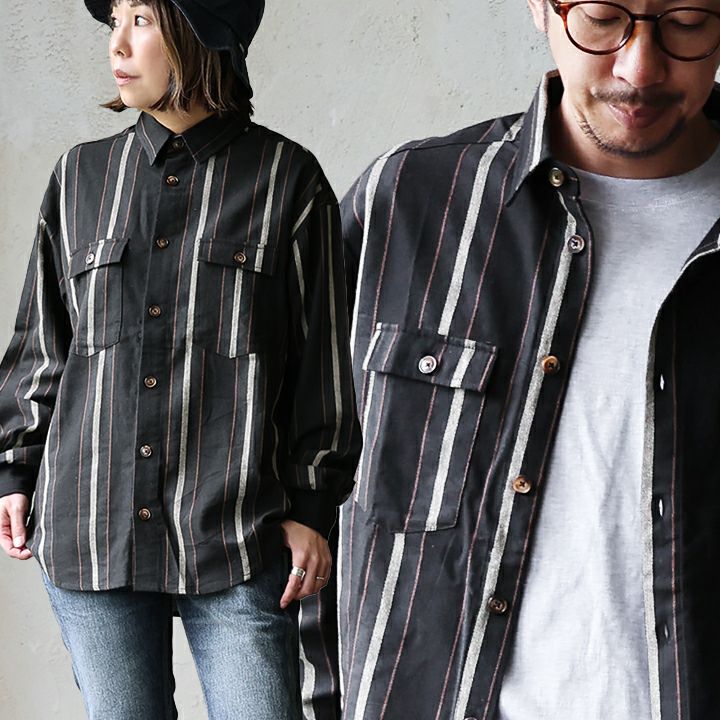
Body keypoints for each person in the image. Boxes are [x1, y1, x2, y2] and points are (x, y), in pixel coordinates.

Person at [330, 1, 720, 718]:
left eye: (688, 21)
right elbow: (287, 487)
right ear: (541, 6)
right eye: (601, 17)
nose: (640, 68)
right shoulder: (406, 204)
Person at [0, 1, 361, 718]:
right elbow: (44, 341)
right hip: (90, 527)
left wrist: (313, 508)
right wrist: (15, 469)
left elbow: (322, 364)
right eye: (115, 21)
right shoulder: (80, 178)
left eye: (141, 19)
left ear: (201, 32)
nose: (117, 44)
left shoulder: (287, 180)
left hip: (235, 532)